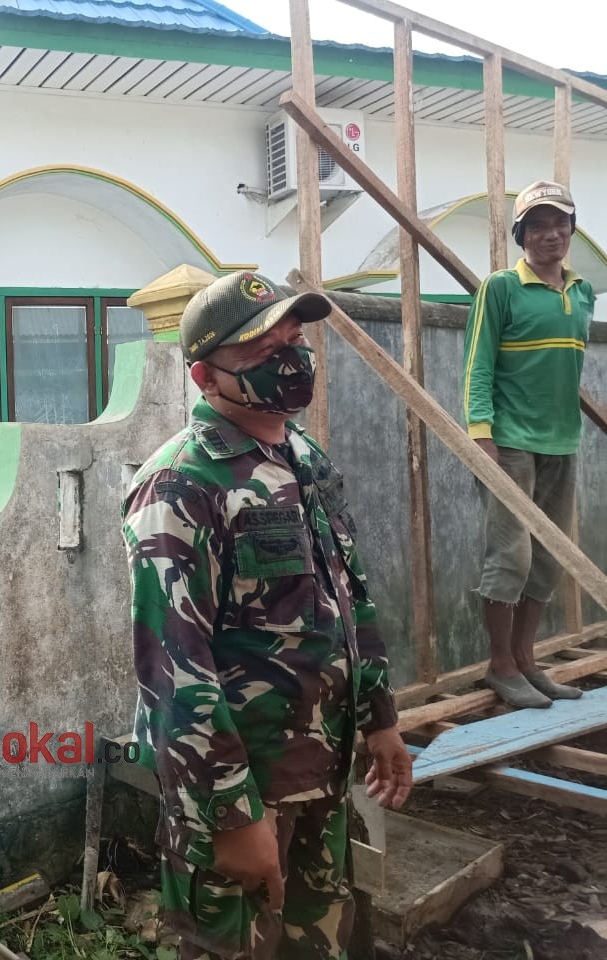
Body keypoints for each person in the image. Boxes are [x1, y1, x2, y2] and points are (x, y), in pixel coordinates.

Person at [122, 271, 412, 960]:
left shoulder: (304, 458)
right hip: (243, 792)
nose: (291, 357)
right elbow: (172, 667)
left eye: (296, 338)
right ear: (205, 375)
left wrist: (381, 717)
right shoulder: (181, 484)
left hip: (322, 774)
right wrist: (230, 814)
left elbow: (349, 594)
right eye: (262, 348)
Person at [463, 180, 593, 710]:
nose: (550, 234)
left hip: (562, 443)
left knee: (548, 558)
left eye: (559, 223)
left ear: (571, 229)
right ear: (521, 234)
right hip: (509, 442)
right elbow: (478, 364)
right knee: (511, 555)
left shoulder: (581, 291)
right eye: (537, 225)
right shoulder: (501, 287)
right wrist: (481, 437)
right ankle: (500, 666)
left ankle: (526, 662)